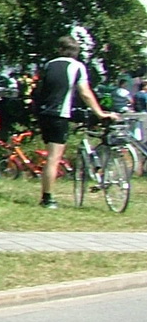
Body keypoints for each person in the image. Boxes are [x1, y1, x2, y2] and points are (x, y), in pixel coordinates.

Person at [34, 35, 113, 209]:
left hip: (44, 114)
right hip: (59, 114)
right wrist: (99, 113)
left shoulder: (49, 65)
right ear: (76, 52)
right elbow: (84, 93)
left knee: (50, 156)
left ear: (60, 50)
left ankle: (47, 195)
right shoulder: (77, 67)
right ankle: (48, 199)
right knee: (54, 158)